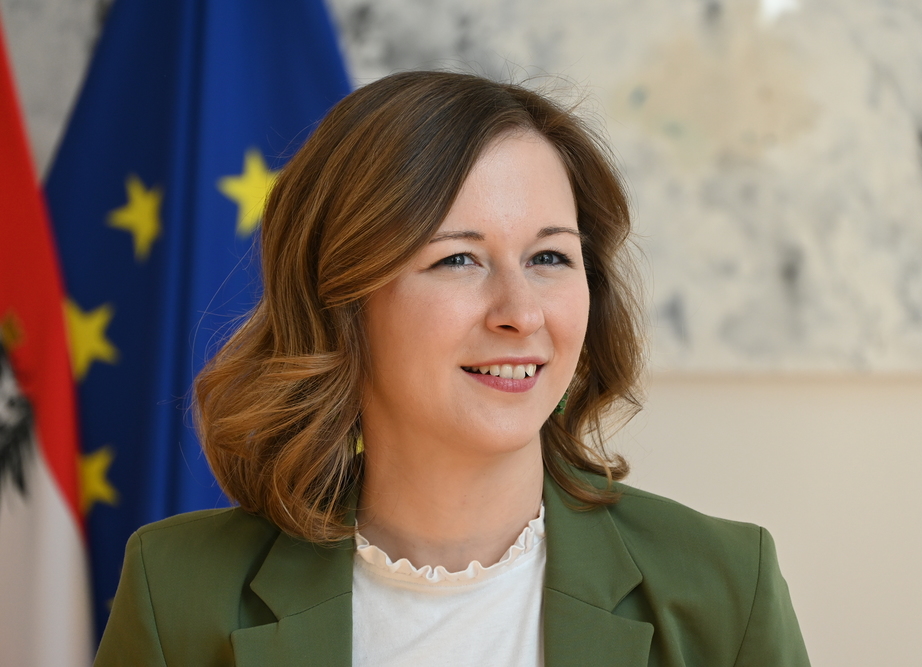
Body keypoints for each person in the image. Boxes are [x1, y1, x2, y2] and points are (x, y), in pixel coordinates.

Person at [94, 71, 810, 667]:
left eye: (549, 256)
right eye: (458, 259)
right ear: (342, 301)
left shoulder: (724, 587)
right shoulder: (178, 592)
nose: (520, 312)